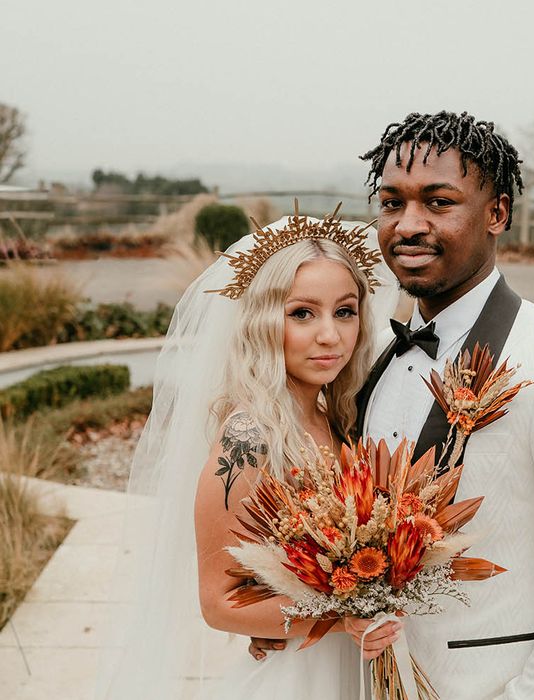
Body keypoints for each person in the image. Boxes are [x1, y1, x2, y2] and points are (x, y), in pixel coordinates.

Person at [251, 111, 534, 699]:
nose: (409, 225)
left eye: (438, 202)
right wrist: (293, 612)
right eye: (391, 202)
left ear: (497, 213)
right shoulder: (370, 356)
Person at [98, 211, 402, 699]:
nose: (330, 335)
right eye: (302, 313)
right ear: (263, 321)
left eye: (344, 312)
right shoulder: (249, 437)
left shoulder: (336, 417)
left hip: (350, 663)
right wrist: (343, 616)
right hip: (298, 678)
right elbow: (221, 604)